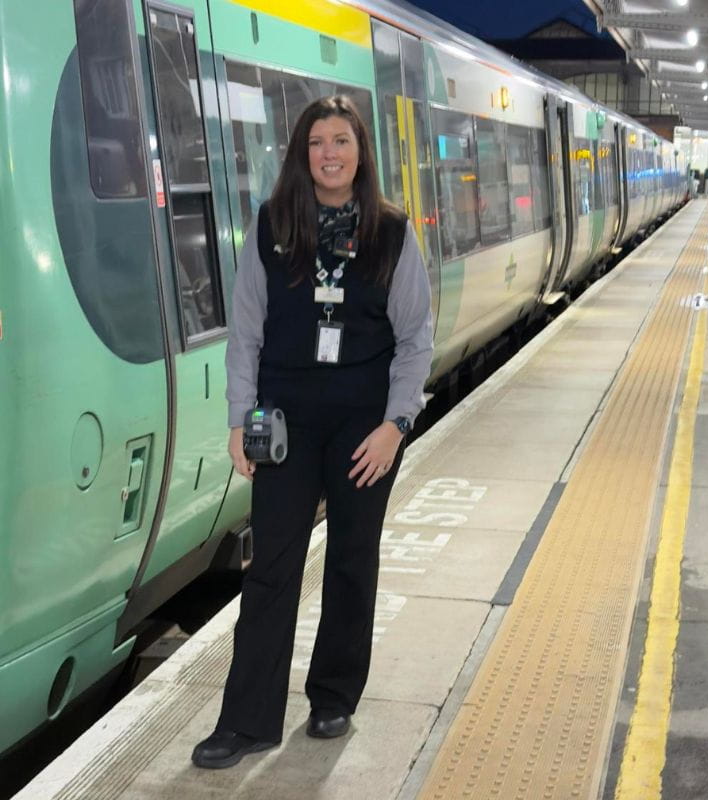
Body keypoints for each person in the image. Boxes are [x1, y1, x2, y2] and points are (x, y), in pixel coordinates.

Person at [191, 95, 434, 769]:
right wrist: (241, 418)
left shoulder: (392, 230)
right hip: (286, 420)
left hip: (364, 425)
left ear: (361, 153)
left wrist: (395, 425)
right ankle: (246, 722)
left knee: (353, 561)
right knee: (271, 568)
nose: (330, 153)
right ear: (302, 154)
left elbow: (415, 339)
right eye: (318, 143)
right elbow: (246, 332)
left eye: (342, 141)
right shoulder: (272, 224)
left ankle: (333, 696)